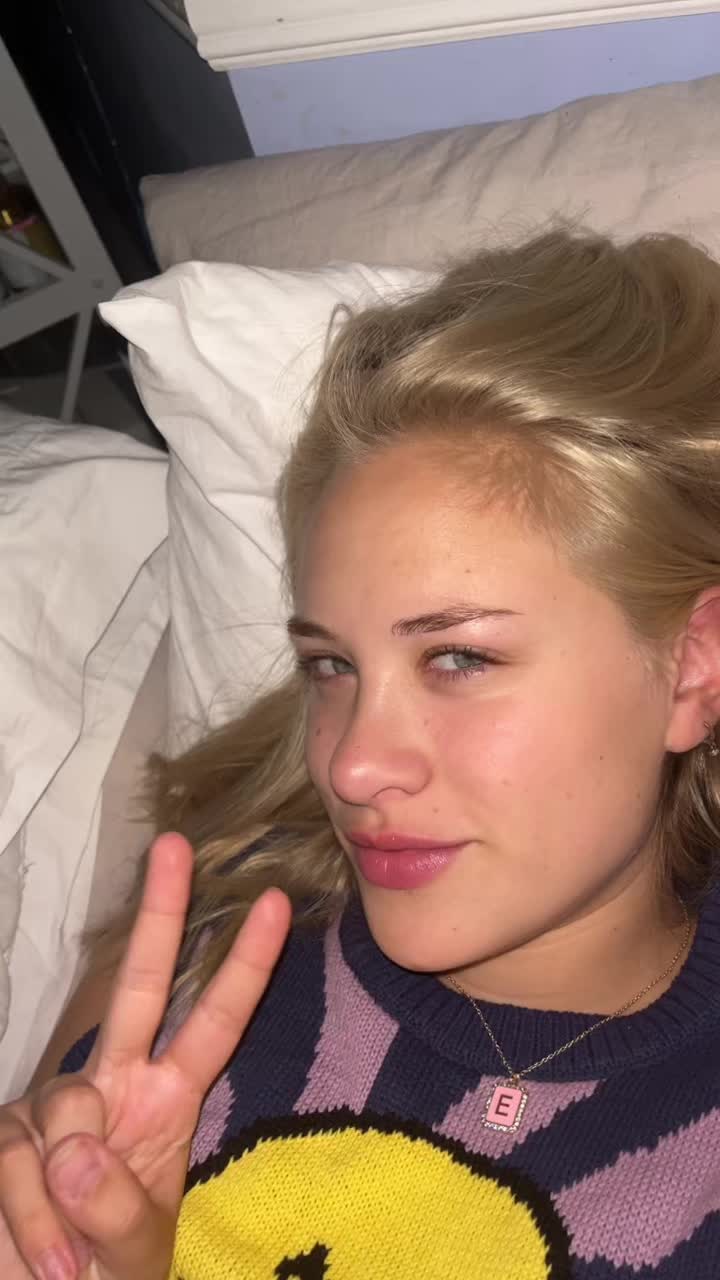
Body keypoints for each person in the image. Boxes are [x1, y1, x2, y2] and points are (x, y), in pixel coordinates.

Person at [2, 227, 720, 1280]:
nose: (350, 767)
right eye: (330, 665)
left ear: (694, 668)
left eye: (458, 658)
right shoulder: (203, 944)